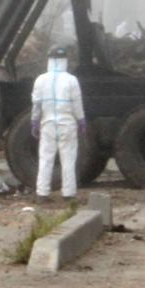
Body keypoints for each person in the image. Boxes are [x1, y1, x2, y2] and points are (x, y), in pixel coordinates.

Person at [30, 45, 86, 202]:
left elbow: (36, 104)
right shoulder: (71, 80)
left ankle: (42, 193)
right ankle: (68, 193)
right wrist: (81, 120)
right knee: (68, 158)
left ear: (49, 60)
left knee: (46, 158)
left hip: (47, 123)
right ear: (64, 61)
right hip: (66, 123)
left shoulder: (40, 80)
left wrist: (34, 121)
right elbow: (77, 103)